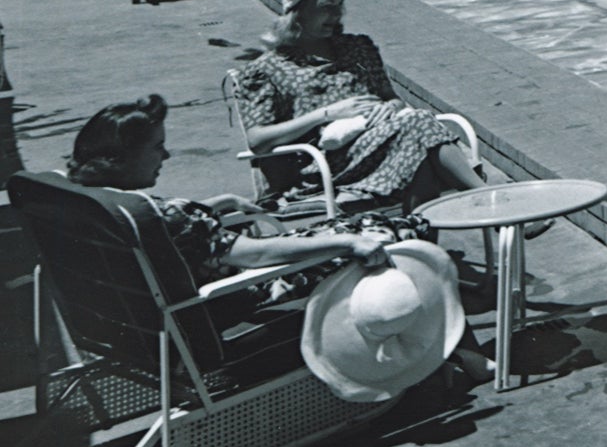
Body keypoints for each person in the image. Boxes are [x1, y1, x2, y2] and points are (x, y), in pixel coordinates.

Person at [63, 94, 426, 298]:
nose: (167, 156)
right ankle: (446, 353)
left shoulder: (95, 202)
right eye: (157, 147)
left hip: (193, 286)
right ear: (121, 157)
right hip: (244, 288)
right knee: (393, 233)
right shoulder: (168, 216)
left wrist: (217, 204)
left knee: (356, 226)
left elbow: (169, 230)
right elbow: (259, 254)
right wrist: (348, 243)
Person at [226, 0, 491, 210]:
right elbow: (257, 141)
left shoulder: (358, 49)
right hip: (324, 165)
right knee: (419, 125)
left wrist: (392, 107)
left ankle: (420, 241)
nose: (336, 15)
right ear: (298, 12)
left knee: (415, 144)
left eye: (339, 6)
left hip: (389, 143)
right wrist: (326, 114)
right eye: (326, 7)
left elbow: (392, 97)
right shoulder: (268, 69)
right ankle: (489, 200)